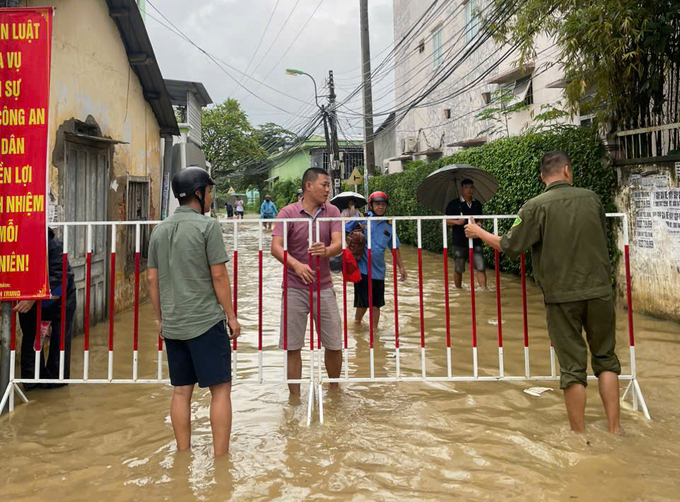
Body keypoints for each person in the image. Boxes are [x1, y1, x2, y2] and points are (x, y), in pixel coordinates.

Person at [464, 151, 621, 434]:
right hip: (600, 291)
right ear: (568, 171)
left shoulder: (534, 207)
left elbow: (511, 246)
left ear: (541, 178)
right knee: (606, 359)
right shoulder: (592, 199)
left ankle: (580, 438)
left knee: (573, 369)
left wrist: (478, 232)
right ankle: (615, 429)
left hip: (561, 296)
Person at [148, 166, 242, 457]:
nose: (212, 198)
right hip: (205, 321)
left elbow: (152, 279)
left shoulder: (159, 230)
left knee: (180, 391)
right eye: (210, 191)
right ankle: (221, 458)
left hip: (174, 325)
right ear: (199, 193)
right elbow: (219, 276)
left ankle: (183, 454)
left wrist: (162, 320)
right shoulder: (207, 226)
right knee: (221, 391)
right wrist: (231, 315)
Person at [271, 167, 343, 396]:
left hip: (324, 287)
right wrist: (297, 265)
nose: (327, 189)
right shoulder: (288, 212)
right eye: (324, 184)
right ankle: (294, 399)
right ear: (308, 186)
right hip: (294, 288)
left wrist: (327, 250)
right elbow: (276, 247)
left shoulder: (332, 211)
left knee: (334, 344)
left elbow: (338, 244)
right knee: (293, 347)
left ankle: (334, 390)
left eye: (328, 185)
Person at [14, 228, 76, 390]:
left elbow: (58, 279)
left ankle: (57, 380)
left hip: (60, 296)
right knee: (31, 337)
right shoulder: (14, 244)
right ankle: (31, 381)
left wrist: (33, 299)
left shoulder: (54, 246)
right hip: (30, 296)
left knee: (59, 338)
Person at [345, 192, 407, 327]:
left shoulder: (389, 225)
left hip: (379, 271)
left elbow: (394, 248)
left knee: (376, 304)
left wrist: (401, 267)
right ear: (371, 206)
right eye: (377, 204)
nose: (380, 207)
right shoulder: (363, 218)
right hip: (363, 269)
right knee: (363, 304)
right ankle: (357, 324)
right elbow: (344, 229)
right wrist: (352, 221)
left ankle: (374, 333)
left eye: (383, 205)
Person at [446, 179, 487, 289]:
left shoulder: (477, 204)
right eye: (466, 187)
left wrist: (479, 223)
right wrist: (456, 221)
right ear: (461, 189)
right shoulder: (453, 204)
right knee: (458, 268)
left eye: (471, 187)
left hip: (476, 240)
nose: (469, 190)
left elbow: (480, 219)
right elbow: (446, 220)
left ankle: (484, 290)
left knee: (480, 266)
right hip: (459, 241)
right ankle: (458, 290)